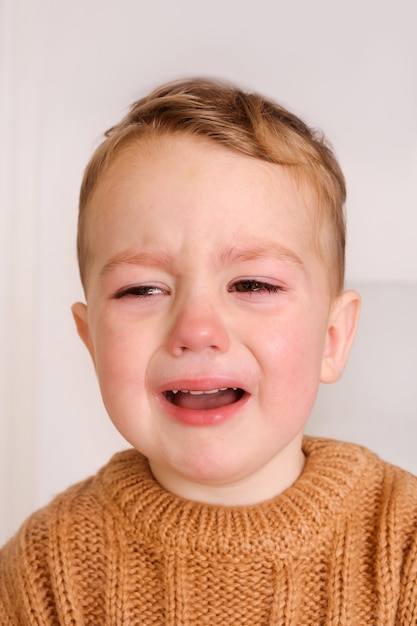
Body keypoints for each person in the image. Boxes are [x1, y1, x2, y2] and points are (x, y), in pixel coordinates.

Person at [1, 78, 416, 625]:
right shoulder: (44, 568)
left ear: (333, 339)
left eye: (253, 285)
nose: (197, 330)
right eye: (142, 289)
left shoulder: (403, 544)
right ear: (92, 344)